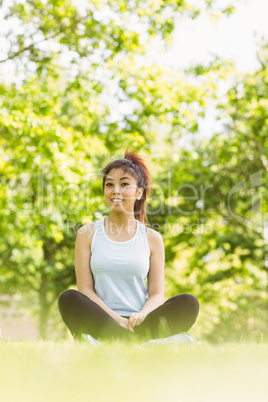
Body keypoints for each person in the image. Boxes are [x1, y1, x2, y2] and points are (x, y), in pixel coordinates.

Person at [58, 148, 199, 343]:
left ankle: (110, 342)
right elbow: (86, 290)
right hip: (102, 319)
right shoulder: (87, 234)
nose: (116, 190)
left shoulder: (152, 238)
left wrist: (141, 316)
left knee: (189, 303)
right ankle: (146, 343)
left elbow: (156, 294)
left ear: (139, 192)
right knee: (68, 298)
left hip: (140, 323)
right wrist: (117, 320)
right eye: (109, 184)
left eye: (124, 184)